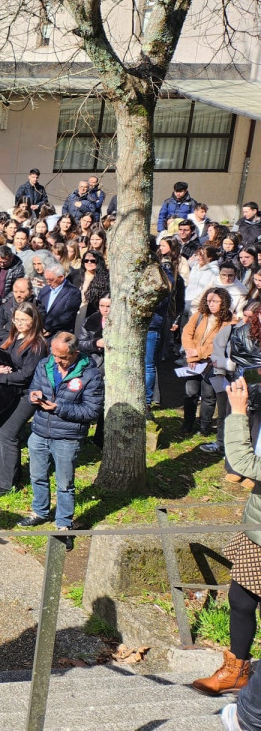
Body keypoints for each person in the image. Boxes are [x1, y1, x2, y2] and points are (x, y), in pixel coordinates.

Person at [197, 380, 261, 705]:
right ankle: (237, 670)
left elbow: (244, 463)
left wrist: (236, 413)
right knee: (240, 598)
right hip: (257, 530)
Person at [17, 333, 104, 546]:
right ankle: (40, 511)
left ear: (75, 353)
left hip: (67, 437)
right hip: (40, 431)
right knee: (37, 476)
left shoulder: (91, 375)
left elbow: (92, 411)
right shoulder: (45, 364)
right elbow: (34, 387)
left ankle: (64, 525)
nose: (57, 361)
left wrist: (59, 408)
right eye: (54, 355)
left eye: (62, 357)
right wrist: (34, 395)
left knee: (65, 484)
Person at [0, 304, 50, 495]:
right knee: (4, 431)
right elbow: (1, 356)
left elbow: (27, 375)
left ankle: (4, 483)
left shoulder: (37, 344)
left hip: (27, 394)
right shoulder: (14, 337)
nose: (19, 323)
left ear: (34, 321)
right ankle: (8, 474)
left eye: (23, 320)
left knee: (8, 433)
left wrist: (1, 377)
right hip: (11, 391)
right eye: (16, 319)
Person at [180, 287, 234, 439]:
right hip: (194, 363)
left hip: (213, 363)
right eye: (209, 301)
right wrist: (192, 356)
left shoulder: (230, 321)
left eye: (215, 301)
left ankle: (204, 426)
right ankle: (187, 423)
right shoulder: (199, 315)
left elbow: (220, 344)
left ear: (223, 302)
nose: (211, 304)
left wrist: (199, 353)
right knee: (190, 392)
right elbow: (187, 333)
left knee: (208, 395)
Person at [38, 264, 81, 337]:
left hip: (60, 334)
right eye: (46, 279)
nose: (48, 283)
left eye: (51, 280)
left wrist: (47, 327)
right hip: (41, 333)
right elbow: (39, 308)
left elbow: (67, 316)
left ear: (61, 277)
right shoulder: (44, 290)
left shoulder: (73, 292)